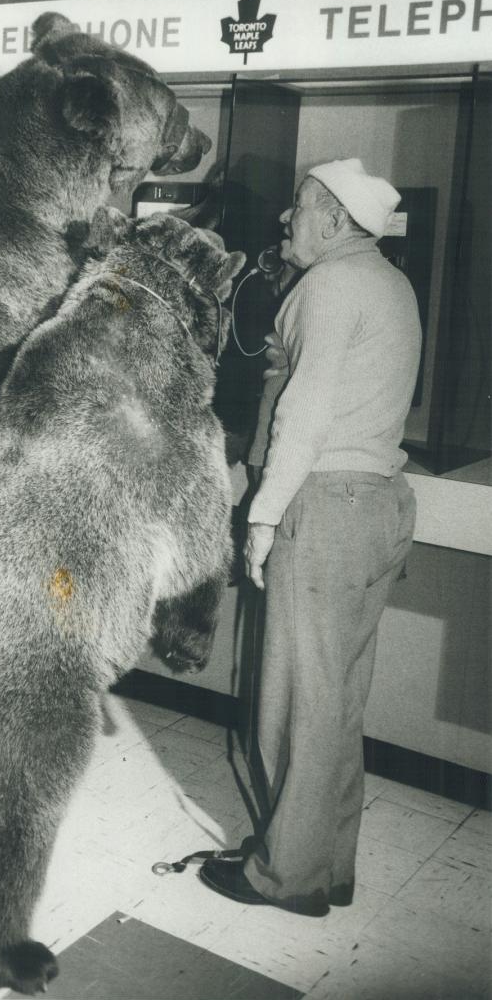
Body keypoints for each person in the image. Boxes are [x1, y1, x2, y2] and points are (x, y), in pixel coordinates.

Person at [200, 158, 422, 916]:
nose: (285, 223)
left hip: (325, 509)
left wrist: (262, 518)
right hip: (382, 506)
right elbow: (304, 389)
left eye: (297, 211)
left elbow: (307, 413)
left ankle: (284, 878)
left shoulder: (326, 287)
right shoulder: (391, 284)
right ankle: (328, 863)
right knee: (336, 702)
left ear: (333, 221)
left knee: (294, 700)